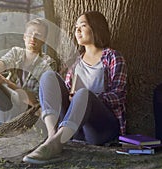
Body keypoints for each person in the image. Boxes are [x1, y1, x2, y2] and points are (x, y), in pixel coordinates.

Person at [22, 11, 127, 164]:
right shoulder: (76, 62)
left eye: (83, 26)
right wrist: (73, 97)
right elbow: (64, 94)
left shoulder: (113, 57)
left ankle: (56, 142)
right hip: (74, 129)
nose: (77, 30)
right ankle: (53, 137)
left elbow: (119, 96)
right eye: (76, 27)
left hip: (100, 128)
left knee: (83, 94)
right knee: (48, 76)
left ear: (96, 28)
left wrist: (89, 96)